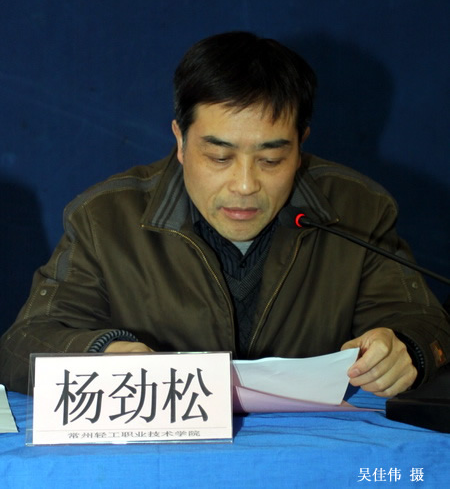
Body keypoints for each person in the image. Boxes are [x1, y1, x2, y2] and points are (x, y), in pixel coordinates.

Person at [1, 31, 449, 397]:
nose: (245, 185)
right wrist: (105, 353)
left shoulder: (357, 209)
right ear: (180, 141)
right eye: (219, 157)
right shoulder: (105, 218)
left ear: (301, 144)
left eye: (271, 159)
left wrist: (405, 348)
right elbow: (23, 345)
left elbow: (428, 325)